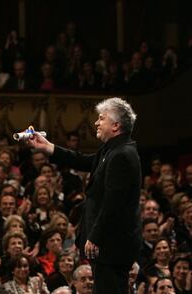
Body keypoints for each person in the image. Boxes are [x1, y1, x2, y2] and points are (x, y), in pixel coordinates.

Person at [27, 97, 142, 294]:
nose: (96, 122)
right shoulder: (113, 149)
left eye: (101, 118)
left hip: (111, 244)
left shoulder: (121, 154)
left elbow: (113, 203)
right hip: (109, 244)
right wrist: (48, 148)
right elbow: (83, 161)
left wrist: (95, 236)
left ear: (115, 125)